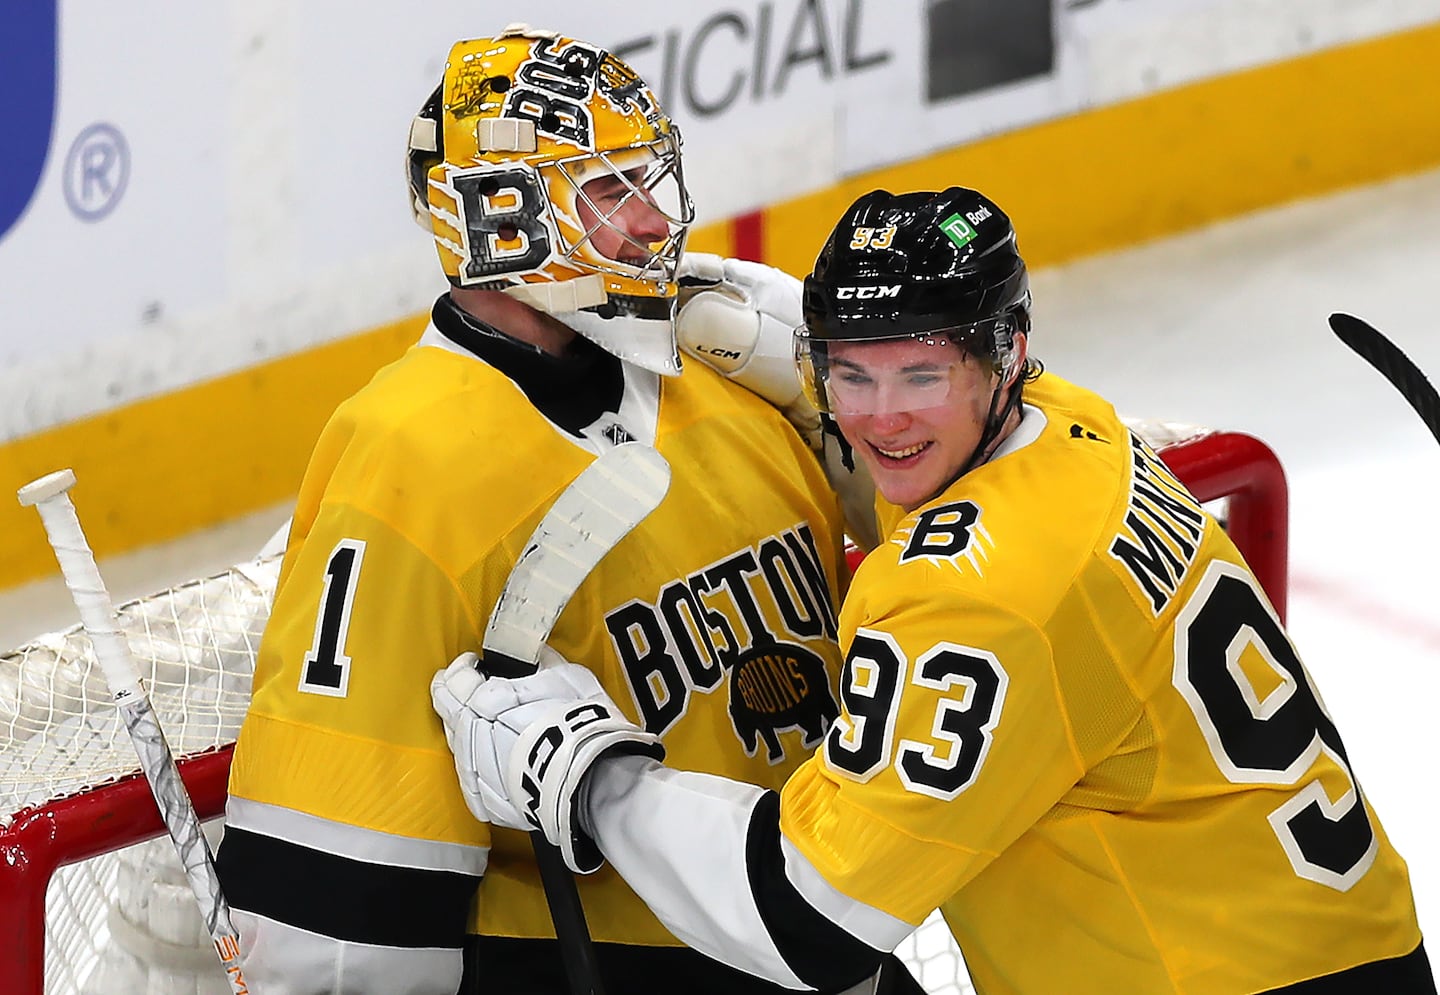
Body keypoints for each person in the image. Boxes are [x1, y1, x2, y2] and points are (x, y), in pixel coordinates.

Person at [431, 186, 1437, 994]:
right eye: (849, 372)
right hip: (1351, 945)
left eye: (920, 374)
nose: (879, 419)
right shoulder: (1075, 424)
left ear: (1007, 353)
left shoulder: (974, 599)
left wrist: (590, 774)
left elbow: (811, 921)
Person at [214, 23, 899, 995]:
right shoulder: (411, 459)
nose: (657, 223)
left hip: (822, 936)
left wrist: (884, 441)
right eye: (610, 191)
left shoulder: (734, 384)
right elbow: (343, 910)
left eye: (646, 180)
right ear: (502, 215)